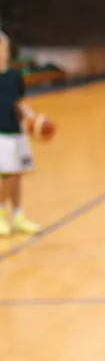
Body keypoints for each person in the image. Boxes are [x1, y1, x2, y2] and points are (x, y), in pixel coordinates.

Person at [0, 32, 41, 236]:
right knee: (10, 173)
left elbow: (19, 102)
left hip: (16, 131)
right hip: (1, 134)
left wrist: (33, 119)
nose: (3, 52)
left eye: (4, 48)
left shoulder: (15, 76)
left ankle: (17, 216)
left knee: (18, 175)